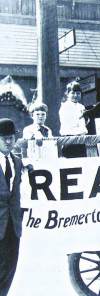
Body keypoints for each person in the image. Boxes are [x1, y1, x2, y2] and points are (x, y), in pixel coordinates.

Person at [0, 118, 24, 296]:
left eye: (11, 138)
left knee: (10, 267)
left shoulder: (17, 161)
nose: (8, 142)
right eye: (3, 138)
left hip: (12, 225)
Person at [59, 80, 88, 157]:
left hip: (81, 140)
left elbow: (82, 124)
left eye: (78, 93)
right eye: (73, 93)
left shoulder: (81, 107)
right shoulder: (65, 107)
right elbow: (69, 126)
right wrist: (82, 130)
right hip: (69, 139)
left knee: (82, 163)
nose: (75, 95)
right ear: (67, 94)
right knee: (70, 166)